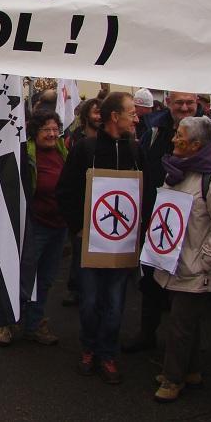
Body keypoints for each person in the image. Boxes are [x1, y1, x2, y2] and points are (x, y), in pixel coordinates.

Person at [124, 91, 211, 353]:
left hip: (192, 228)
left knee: (184, 300)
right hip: (157, 220)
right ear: (169, 103)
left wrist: (205, 258)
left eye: (190, 103)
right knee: (150, 283)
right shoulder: (155, 130)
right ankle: (147, 334)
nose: (184, 107)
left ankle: (182, 359)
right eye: (179, 102)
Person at [57, 92, 145, 384]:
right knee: (91, 300)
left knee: (115, 301)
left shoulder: (134, 150)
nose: (136, 117)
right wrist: (77, 228)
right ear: (114, 117)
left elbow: (145, 192)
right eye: (131, 112)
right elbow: (66, 191)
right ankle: (89, 348)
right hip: (91, 241)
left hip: (121, 243)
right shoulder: (85, 149)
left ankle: (107, 353)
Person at [152, 116, 211, 402]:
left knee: (179, 325)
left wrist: (202, 262)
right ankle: (191, 370)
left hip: (192, 268)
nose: (173, 139)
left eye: (180, 136)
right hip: (174, 263)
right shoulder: (176, 172)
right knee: (188, 322)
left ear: (196, 145)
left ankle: (172, 379)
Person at [0, 110, 68, 347]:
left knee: (45, 279)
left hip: (58, 227)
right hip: (33, 226)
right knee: (22, 277)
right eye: (46, 129)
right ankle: (7, 322)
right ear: (34, 132)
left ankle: (33, 324)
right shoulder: (25, 155)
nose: (51, 134)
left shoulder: (62, 152)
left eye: (55, 129)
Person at [62, 96, 102, 307]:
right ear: (87, 115)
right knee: (79, 252)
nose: (99, 117)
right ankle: (75, 287)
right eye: (96, 112)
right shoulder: (76, 138)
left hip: (101, 206)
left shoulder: (110, 141)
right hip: (81, 206)